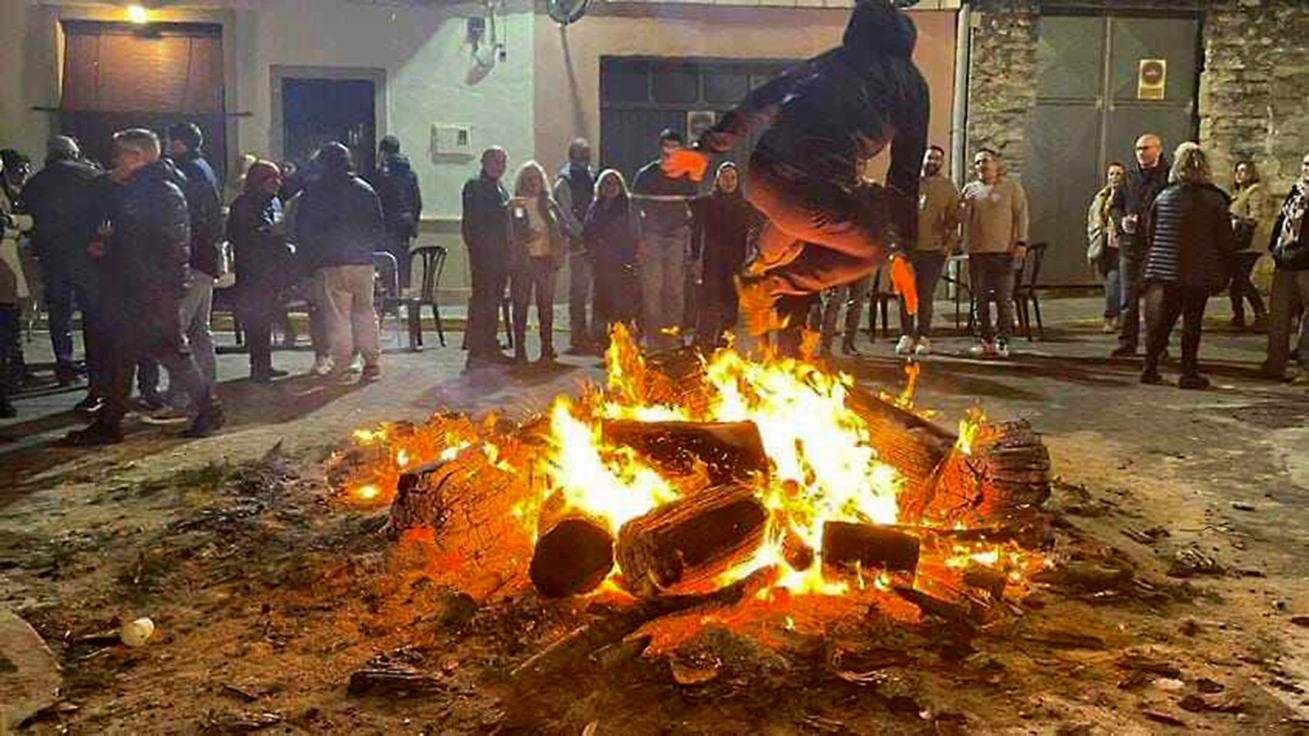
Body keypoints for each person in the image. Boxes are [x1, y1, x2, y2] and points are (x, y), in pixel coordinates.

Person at [666, 0, 928, 337]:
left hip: (761, 176)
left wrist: (707, 148)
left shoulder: (834, 60)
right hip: (811, 194)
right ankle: (769, 283)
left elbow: (763, 98)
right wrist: (900, 251)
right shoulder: (909, 84)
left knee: (839, 204)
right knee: (873, 247)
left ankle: (766, 255)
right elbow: (905, 175)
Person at [67, 128, 223, 444]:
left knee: (171, 352)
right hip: (142, 285)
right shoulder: (150, 189)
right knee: (125, 354)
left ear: (137, 156)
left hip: (150, 288)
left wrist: (111, 245)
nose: (116, 161)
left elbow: (157, 243)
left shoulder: (156, 192)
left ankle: (208, 408)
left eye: (120, 154)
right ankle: (110, 422)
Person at [1139, 143, 1236, 389]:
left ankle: (1149, 367)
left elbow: (1151, 233)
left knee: (1163, 320)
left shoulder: (1165, 196)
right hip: (1199, 271)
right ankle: (1188, 372)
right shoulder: (1215, 200)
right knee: (1192, 322)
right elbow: (1224, 240)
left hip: (1165, 269)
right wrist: (1226, 269)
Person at [21, 137, 106, 397]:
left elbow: (28, 218)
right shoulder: (91, 175)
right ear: (73, 152)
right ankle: (97, 367)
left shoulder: (36, 182)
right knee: (93, 313)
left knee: (60, 313)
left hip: (53, 255)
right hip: (87, 254)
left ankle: (64, 363)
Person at [292, 142, 383, 382]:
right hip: (362, 260)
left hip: (330, 260)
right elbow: (377, 226)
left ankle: (342, 363)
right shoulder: (365, 189)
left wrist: (307, 259)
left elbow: (304, 228)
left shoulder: (315, 191)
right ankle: (371, 362)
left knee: (337, 315)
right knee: (365, 310)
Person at [161, 123, 223, 412]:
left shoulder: (187, 171)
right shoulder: (204, 167)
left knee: (177, 331)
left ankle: (185, 393)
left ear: (179, 143)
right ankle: (206, 386)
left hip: (193, 260)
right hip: (206, 258)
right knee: (199, 329)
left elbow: (189, 218)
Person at [228, 161, 295, 382]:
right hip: (252, 271)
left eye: (278, 178)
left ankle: (264, 364)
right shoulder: (244, 205)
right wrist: (269, 233)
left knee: (267, 318)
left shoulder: (274, 202)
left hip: (272, 270)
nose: (276, 183)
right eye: (271, 179)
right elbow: (240, 236)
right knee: (256, 320)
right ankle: (258, 366)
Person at [632, 129, 698, 351]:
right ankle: (654, 341)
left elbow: (693, 210)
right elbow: (634, 209)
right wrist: (639, 239)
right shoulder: (646, 175)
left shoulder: (686, 177)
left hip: (677, 237)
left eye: (676, 146)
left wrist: (691, 242)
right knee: (653, 289)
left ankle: (673, 337)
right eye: (668, 145)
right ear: (661, 147)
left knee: (675, 290)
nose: (671, 150)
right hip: (652, 238)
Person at [961, 148, 1028, 358]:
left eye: (986, 161)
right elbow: (962, 219)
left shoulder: (1011, 188)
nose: (982, 165)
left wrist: (1021, 242)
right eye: (978, 162)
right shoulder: (970, 190)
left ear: (996, 164)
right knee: (979, 299)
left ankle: (1003, 340)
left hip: (1003, 253)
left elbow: (1022, 216)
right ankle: (985, 340)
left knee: (1003, 299)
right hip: (978, 253)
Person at [897, 144, 961, 356]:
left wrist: (947, 246)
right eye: (929, 158)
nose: (932, 162)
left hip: (932, 251)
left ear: (941, 162)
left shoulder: (948, 188)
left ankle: (923, 336)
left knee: (925, 295)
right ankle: (906, 335)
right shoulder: (910, 183)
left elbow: (955, 221)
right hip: (907, 249)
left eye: (937, 159)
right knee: (906, 293)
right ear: (922, 159)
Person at [1111, 134, 1170, 357]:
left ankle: (1157, 346)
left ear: (1158, 149)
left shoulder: (1167, 177)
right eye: (1138, 149)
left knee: (1157, 300)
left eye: (1146, 148)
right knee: (1129, 297)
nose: (1141, 153)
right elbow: (1116, 206)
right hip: (1130, 245)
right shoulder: (1130, 177)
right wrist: (1122, 222)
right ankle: (1128, 341)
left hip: (1156, 246)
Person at [691, 162, 757, 350]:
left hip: (735, 263)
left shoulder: (745, 207)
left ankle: (723, 345)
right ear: (717, 180)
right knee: (709, 304)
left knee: (730, 305)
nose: (728, 181)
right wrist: (695, 258)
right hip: (712, 261)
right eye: (724, 177)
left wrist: (751, 259)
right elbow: (695, 232)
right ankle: (702, 345)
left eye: (732, 178)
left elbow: (755, 232)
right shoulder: (706, 203)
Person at [505, 162, 567, 363]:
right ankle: (520, 350)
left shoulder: (548, 203)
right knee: (521, 305)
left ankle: (547, 348)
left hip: (546, 259)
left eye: (536, 179)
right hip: (524, 260)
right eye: (529, 179)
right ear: (522, 182)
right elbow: (516, 227)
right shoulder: (519, 205)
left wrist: (559, 245)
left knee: (545, 306)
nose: (533, 183)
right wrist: (525, 236)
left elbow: (562, 225)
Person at [462, 147, 513, 370]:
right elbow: (477, 220)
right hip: (484, 254)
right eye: (495, 161)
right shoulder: (475, 185)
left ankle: (490, 345)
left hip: (500, 254)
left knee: (494, 300)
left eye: (503, 161)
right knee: (483, 300)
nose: (499, 166)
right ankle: (478, 350)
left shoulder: (500, 187)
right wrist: (505, 209)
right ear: (484, 162)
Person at [1260, 151, 1309, 383]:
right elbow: (1282, 220)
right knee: (1279, 315)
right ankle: (1274, 363)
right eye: (1305, 164)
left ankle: (1306, 366)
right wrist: (1275, 248)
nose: (1307, 169)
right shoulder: (1296, 190)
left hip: (1306, 262)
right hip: (1286, 260)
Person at [584, 169, 642, 349]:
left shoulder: (627, 206)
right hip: (601, 263)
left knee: (622, 306)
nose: (610, 187)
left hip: (622, 263)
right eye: (606, 184)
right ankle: (604, 344)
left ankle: (624, 345)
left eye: (614, 183)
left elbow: (636, 232)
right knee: (602, 303)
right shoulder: (596, 207)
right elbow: (587, 231)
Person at [553, 139, 596, 355]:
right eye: (580, 156)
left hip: (596, 243)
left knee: (598, 290)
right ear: (571, 156)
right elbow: (565, 215)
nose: (584, 160)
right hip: (579, 242)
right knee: (579, 291)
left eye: (586, 156)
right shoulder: (564, 182)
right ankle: (578, 334)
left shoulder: (591, 176)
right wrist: (583, 234)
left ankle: (595, 333)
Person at [0, 153, 34, 418]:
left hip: (7, 274)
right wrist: (19, 223)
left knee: (9, 332)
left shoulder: (9, 191)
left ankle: (11, 379)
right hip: (4, 274)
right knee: (5, 333)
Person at [367, 135, 423, 291]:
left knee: (385, 263)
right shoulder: (411, 174)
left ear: (383, 152)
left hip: (386, 225)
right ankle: (399, 297)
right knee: (401, 262)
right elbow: (417, 202)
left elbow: (376, 201)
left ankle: (387, 299)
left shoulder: (381, 174)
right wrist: (413, 225)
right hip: (405, 226)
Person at [1228, 160, 1273, 330]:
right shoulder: (1240, 193)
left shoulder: (1255, 192)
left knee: (1241, 279)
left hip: (1250, 244)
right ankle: (1238, 317)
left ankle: (1261, 314)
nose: (1239, 174)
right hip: (1240, 244)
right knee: (1237, 282)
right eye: (1237, 171)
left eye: (1243, 171)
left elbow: (1255, 216)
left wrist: (1236, 221)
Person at [1087, 161, 1127, 334]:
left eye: (1118, 174)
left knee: (1114, 280)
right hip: (1103, 244)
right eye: (1111, 174)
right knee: (1109, 281)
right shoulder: (1101, 197)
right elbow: (1092, 219)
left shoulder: (1127, 196)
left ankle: (1111, 316)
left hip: (1119, 244)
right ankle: (1119, 314)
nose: (1114, 177)